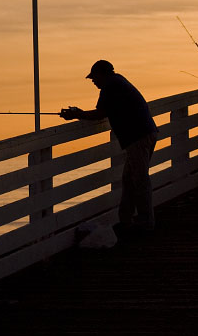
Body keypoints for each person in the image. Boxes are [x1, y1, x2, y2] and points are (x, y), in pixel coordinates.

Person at [60, 61, 159, 234]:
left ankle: (146, 224)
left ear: (102, 74)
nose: (93, 82)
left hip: (138, 137)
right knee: (129, 180)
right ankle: (126, 221)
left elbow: (100, 113)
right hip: (144, 134)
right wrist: (79, 114)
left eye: (94, 77)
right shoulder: (118, 81)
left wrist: (77, 114)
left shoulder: (110, 86)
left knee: (140, 181)